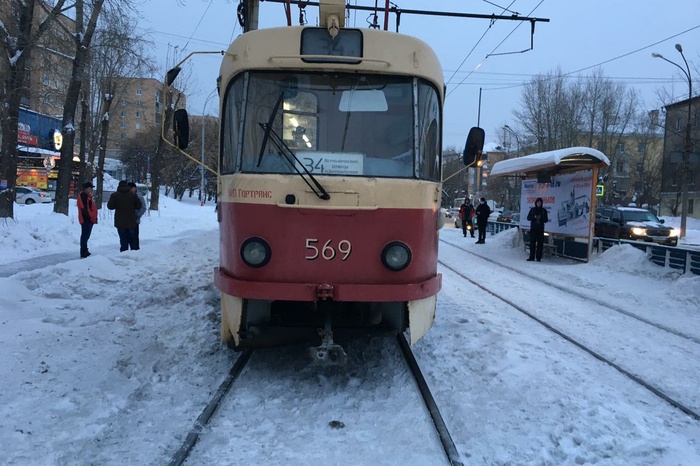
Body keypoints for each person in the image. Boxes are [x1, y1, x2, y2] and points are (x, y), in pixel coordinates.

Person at [107, 180, 142, 252]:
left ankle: (124, 255)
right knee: (133, 240)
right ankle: (134, 254)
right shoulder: (132, 195)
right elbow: (139, 205)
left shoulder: (115, 195)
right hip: (131, 221)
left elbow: (110, 206)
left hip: (120, 222)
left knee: (123, 240)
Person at [77, 181, 98, 258]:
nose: (92, 189)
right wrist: (90, 217)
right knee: (85, 236)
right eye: (90, 188)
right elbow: (84, 208)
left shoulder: (87, 196)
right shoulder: (84, 196)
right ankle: (83, 252)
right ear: (86, 189)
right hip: (86, 219)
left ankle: (85, 250)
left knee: (86, 236)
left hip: (88, 219)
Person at [527, 197, 549, 261]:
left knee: (540, 244)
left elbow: (546, 219)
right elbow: (528, 218)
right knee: (532, 243)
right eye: (538, 203)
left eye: (540, 203)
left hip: (540, 229)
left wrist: (541, 219)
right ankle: (531, 257)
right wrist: (533, 218)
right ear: (536, 203)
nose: (539, 204)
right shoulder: (533, 210)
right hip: (533, 229)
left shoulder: (543, 211)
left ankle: (538, 257)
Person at [128, 182, 147, 250]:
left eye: (131, 188)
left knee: (134, 237)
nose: (130, 190)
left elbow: (143, 207)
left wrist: (137, 215)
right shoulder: (128, 196)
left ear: (134, 188)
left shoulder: (139, 196)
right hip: (127, 220)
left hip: (135, 220)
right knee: (129, 237)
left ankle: (136, 251)